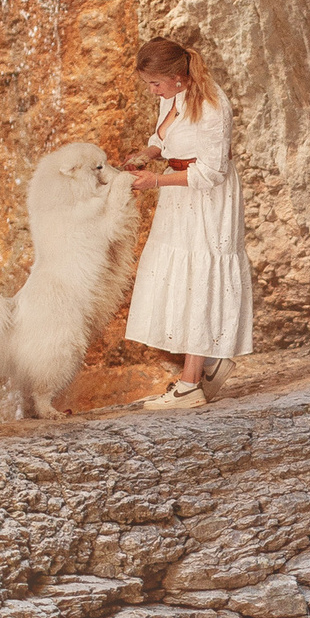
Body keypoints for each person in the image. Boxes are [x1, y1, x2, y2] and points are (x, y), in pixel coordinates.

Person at [120, 29, 253, 407]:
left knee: (200, 276)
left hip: (207, 199)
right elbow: (164, 140)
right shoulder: (174, 96)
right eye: (148, 84)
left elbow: (211, 172)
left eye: (155, 83)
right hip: (179, 198)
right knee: (181, 277)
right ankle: (209, 363)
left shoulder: (213, 105)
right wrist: (147, 154)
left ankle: (191, 385)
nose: (152, 91)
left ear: (178, 76)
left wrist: (155, 180)